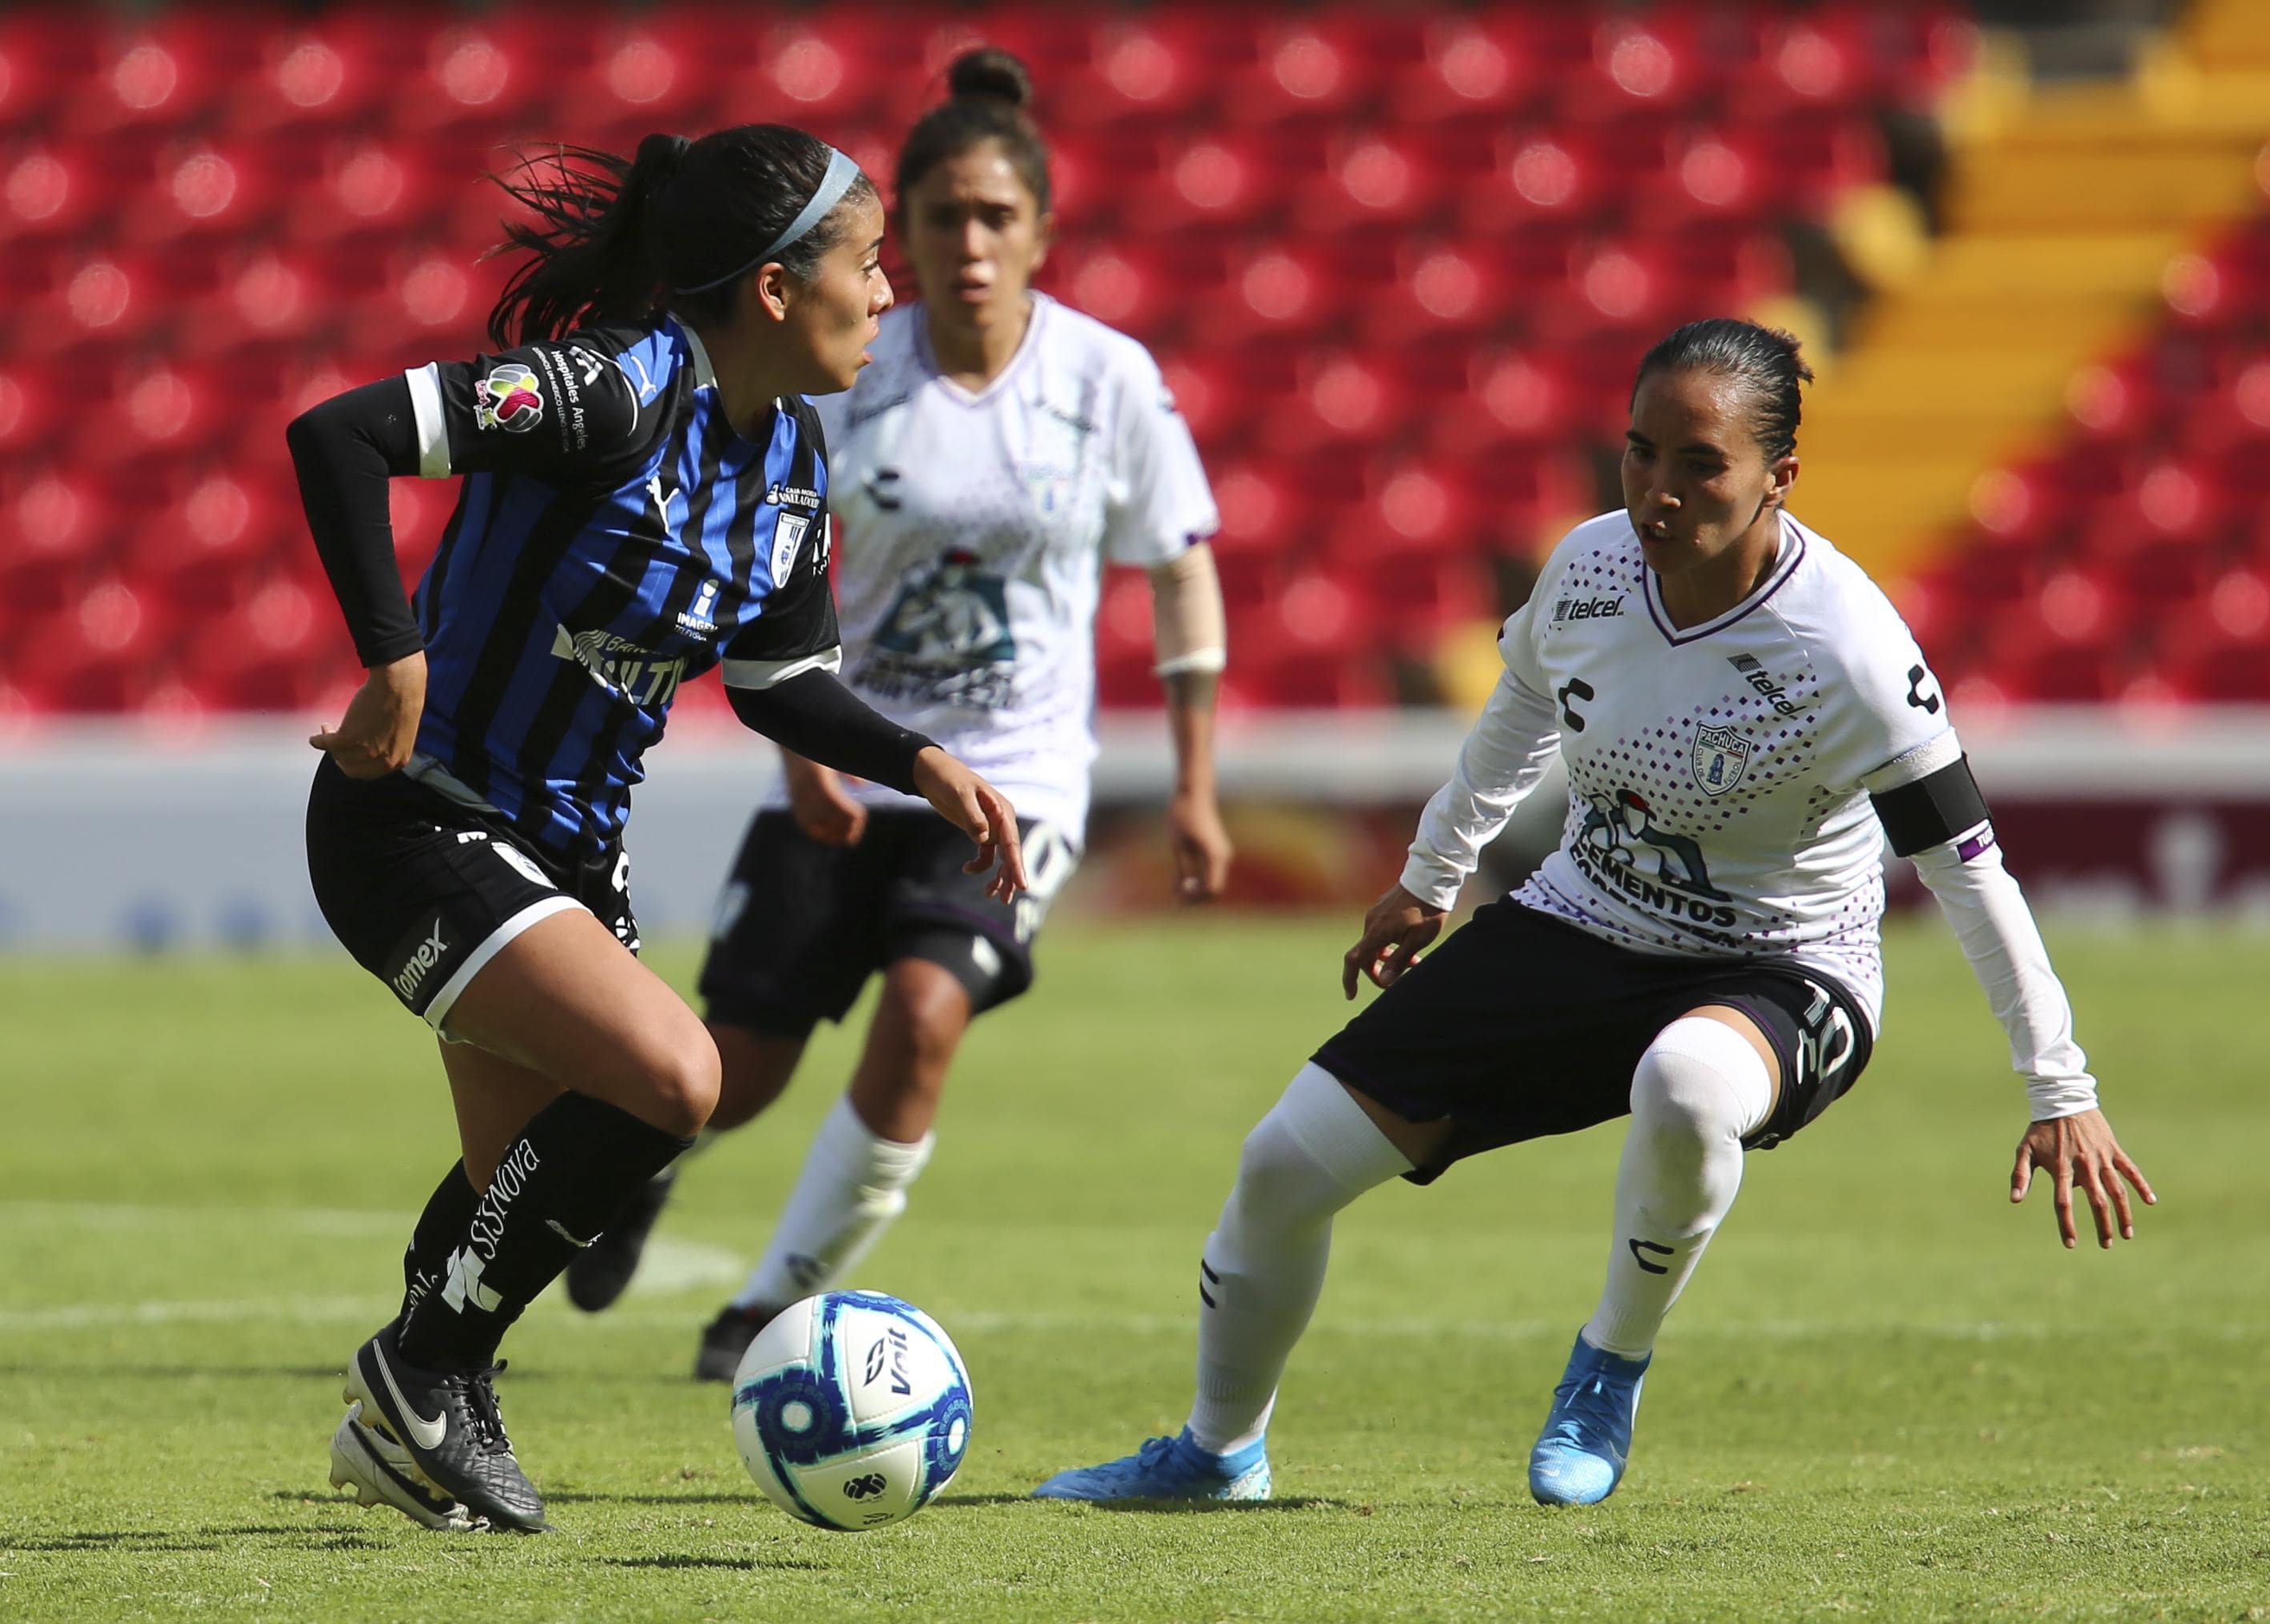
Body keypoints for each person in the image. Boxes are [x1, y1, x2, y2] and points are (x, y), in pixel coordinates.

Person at [1032, 318, 2155, 1507]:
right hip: (1583, 917)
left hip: (1781, 961)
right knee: (1277, 1169)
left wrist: (2059, 1083)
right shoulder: (1587, 566)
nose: (1658, 492)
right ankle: (1217, 1453)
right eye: (1638, 453)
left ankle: (1605, 1369)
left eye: (1698, 463)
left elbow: (1968, 868)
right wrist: (1429, 874)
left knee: (1684, 1083)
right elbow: (1518, 709)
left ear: (1779, 476)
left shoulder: (1851, 652)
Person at [288, 123, 1029, 1535]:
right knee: (673, 1083)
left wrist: (916, 756)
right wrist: (393, 659)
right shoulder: (605, 395)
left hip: (565, 855)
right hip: (418, 822)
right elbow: (342, 433)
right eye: (868, 266)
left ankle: (424, 1401)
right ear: (770, 288)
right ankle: (422, 1368)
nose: (892, 296)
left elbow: (781, 683)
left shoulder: (793, 465)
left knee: (527, 1185)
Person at [560, 49, 1233, 1384]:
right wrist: (803, 749)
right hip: (844, 763)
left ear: (1041, 230)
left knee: (925, 1017)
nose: (968, 242)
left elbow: (1179, 561)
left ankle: (764, 1305)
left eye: (996, 216)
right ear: (904, 234)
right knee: (730, 1069)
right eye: (940, 218)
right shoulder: (853, 369)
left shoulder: (1107, 381)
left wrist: (1197, 785)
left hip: (1014, 781)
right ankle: (632, 1173)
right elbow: (776, 559)